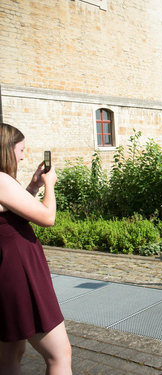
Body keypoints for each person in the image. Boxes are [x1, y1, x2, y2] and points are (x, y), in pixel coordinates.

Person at [0, 123, 72, 375]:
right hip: (21, 276)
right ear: (6, 150)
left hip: (8, 273)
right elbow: (47, 217)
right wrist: (49, 184)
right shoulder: (1, 180)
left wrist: (32, 187)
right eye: (20, 150)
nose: (22, 155)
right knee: (59, 355)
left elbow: (13, 212)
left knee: (10, 354)